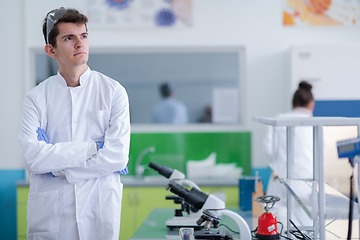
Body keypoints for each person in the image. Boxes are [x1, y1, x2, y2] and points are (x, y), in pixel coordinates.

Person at [18, 7, 130, 240]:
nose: (80, 43)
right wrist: (91, 148)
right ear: (51, 50)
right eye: (69, 38)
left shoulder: (113, 92)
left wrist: (56, 167)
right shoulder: (36, 98)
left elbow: (117, 157)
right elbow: (31, 157)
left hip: (98, 211)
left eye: (84, 36)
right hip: (51, 216)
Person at [263, 81, 315, 224]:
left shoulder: (279, 118)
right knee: (306, 227)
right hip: (307, 183)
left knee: (277, 225)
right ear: (312, 104)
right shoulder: (316, 123)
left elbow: (268, 149)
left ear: (293, 103)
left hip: (281, 179)